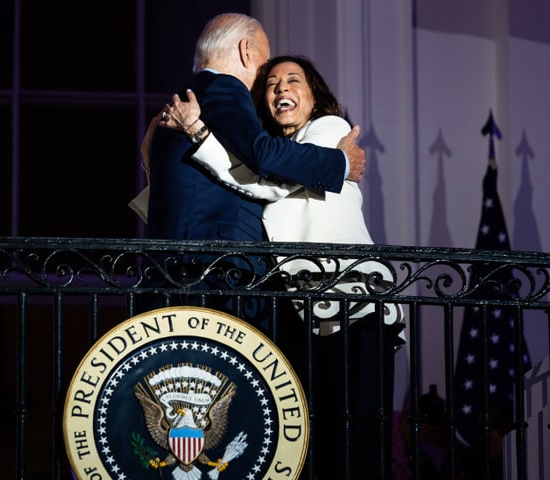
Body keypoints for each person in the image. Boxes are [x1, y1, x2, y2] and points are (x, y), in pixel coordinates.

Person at [143, 55, 405, 480]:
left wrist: (197, 131)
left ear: (314, 94)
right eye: (272, 85)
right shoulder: (280, 154)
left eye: (293, 80)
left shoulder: (331, 131)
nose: (281, 88)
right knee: (314, 447)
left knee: (360, 449)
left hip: (354, 309)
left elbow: (264, 181)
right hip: (305, 315)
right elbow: (250, 177)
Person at [135, 12, 365, 326]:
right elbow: (263, 155)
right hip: (215, 274)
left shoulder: (191, 101)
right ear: (246, 50)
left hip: (190, 273)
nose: (265, 75)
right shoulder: (222, 88)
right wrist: (340, 163)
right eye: (265, 62)